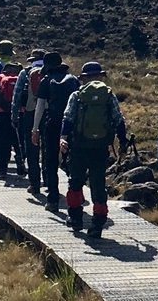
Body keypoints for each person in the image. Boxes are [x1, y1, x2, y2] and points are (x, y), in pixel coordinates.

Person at [61, 61, 130, 239]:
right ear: (100, 76)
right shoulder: (109, 96)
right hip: (100, 147)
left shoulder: (76, 95)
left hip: (78, 145)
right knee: (98, 183)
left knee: (75, 181)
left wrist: (63, 138)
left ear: (83, 78)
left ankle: (75, 218)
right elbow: (118, 120)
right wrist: (123, 142)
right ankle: (98, 223)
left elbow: (68, 118)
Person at [35, 58, 80, 213]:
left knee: (51, 161)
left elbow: (40, 107)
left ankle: (53, 199)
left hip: (53, 124)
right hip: (72, 126)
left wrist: (35, 129)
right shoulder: (73, 80)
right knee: (74, 160)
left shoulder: (46, 81)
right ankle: (75, 196)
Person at [0, 59, 22, 177]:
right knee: (18, 141)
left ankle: (2, 169)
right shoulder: (21, 77)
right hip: (19, 113)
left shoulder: (0, 77)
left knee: (2, 142)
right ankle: (20, 163)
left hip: (1, 113)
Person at [18, 51, 47, 190]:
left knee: (32, 148)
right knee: (48, 147)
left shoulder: (26, 72)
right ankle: (49, 179)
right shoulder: (53, 72)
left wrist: (15, 115)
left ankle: (34, 183)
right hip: (49, 113)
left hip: (30, 112)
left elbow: (18, 95)